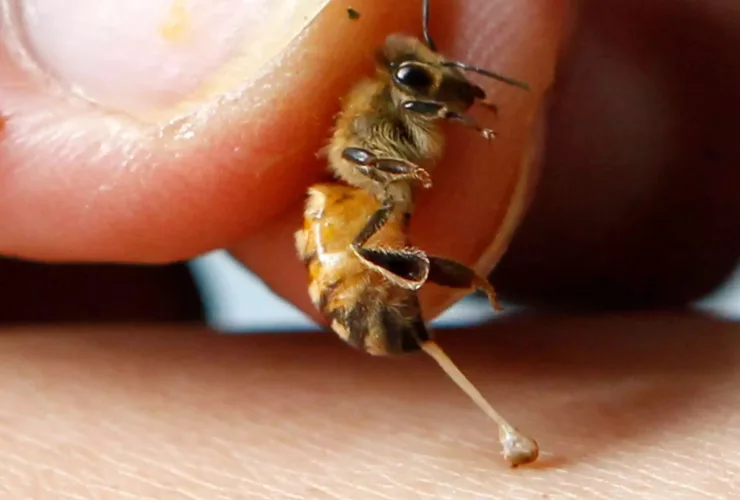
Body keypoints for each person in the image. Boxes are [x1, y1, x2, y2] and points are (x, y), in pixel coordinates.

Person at [0, 0, 738, 497]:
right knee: (406, 280)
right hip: (348, 234)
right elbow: (370, 143)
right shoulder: (372, 120)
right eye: (424, 85)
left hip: (359, 228)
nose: (442, 93)